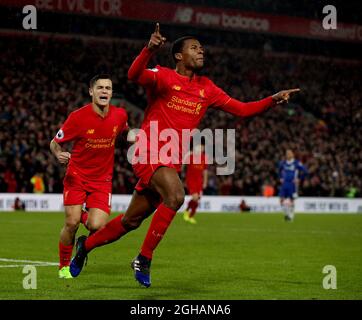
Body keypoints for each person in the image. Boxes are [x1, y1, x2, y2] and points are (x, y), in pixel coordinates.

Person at [70, 23, 300, 287]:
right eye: (195, 48)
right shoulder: (164, 76)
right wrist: (148, 50)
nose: (201, 51)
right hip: (147, 150)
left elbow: (243, 110)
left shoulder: (207, 88)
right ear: (179, 55)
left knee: (129, 222)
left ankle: (85, 245)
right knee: (177, 196)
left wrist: (273, 99)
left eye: (202, 48)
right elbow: (134, 75)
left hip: (170, 160)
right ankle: (143, 259)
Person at [50, 74, 128, 279]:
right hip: (77, 176)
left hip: (102, 180)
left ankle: (83, 240)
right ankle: (63, 266)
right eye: (100, 88)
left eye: (108, 88)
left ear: (112, 93)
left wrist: (142, 137)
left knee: (97, 226)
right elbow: (54, 142)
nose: (104, 91)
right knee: (72, 223)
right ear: (91, 92)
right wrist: (58, 154)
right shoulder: (77, 117)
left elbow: (125, 133)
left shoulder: (120, 115)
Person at [278, 149, 308, 221]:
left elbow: (305, 171)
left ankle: (291, 216)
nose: (288, 155)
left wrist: (299, 179)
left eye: (289, 153)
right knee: (281, 200)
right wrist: (280, 178)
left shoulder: (296, 163)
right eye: (287, 153)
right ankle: (286, 214)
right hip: (284, 183)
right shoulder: (283, 163)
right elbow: (279, 170)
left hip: (292, 184)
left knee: (291, 200)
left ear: (292, 154)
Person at [182, 143, 208, 224]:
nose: (202, 149)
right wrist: (187, 155)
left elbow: (205, 171)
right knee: (195, 198)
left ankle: (188, 213)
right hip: (191, 180)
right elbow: (182, 165)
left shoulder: (204, 157)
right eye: (200, 148)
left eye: (203, 148)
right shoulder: (190, 156)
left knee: (197, 200)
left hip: (199, 181)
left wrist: (205, 182)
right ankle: (189, 214)